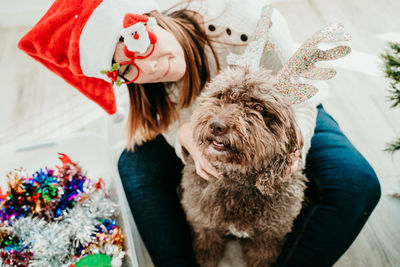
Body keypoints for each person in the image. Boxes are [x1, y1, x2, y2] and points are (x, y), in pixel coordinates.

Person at [18, 0, 381, 266]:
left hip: (284, 120)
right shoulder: (142, 78)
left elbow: (302, 92)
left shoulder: (247, 20)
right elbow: (160, 118)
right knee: (133, 166)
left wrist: (291, 148)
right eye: (125, 70)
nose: (151, 66)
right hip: (206, 132)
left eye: (139, 46)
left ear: (149, 20)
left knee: (357, 184)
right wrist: (183, 134)